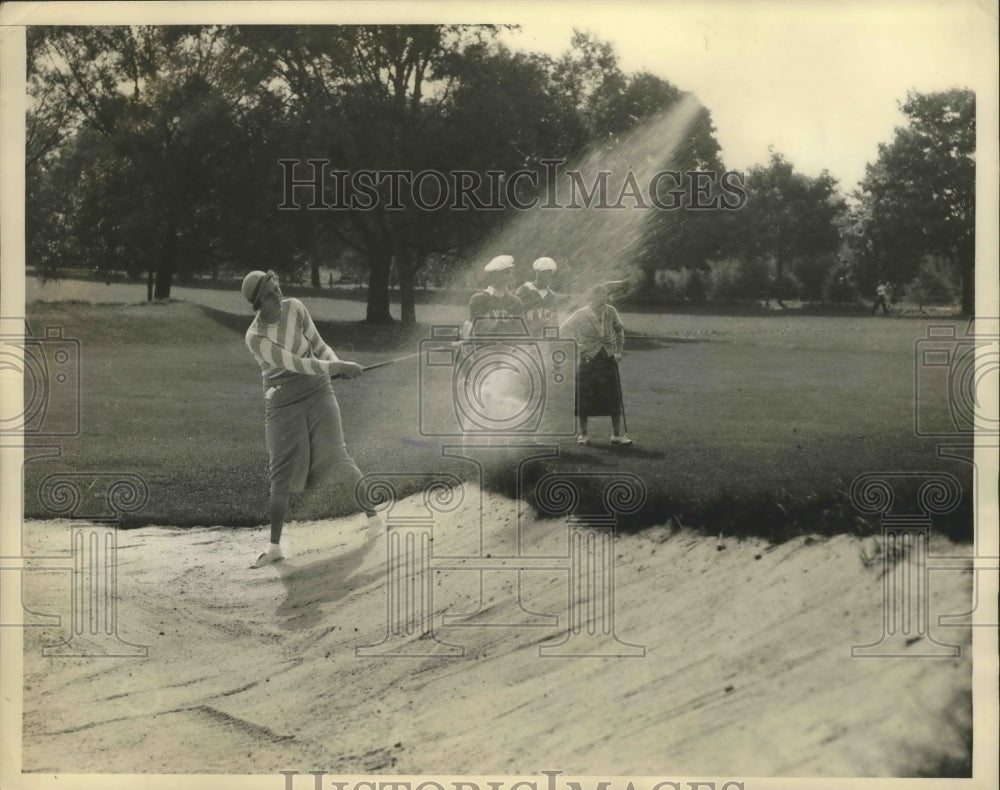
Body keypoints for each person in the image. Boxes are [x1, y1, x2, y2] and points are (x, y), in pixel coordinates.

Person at [241, 269, 379, 568]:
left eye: (276, 288)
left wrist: (334, 363)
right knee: (280, 471)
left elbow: (318, 345)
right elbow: (296, 363)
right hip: (282, 398)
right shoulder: (255, 336)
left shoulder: (295, 307)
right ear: (257, 304)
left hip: (318, 389)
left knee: (338, 455)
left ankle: (374, 519)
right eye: (268, 294)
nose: (276, 295)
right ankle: (275, 547)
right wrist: (338, 367)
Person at [560, 282, 633, 446]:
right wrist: (577, 344)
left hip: (608, 357)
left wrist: (619, 351)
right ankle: (583, 435)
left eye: (605, 295)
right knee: (584, 396)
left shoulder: (611, 310)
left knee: (614, 397)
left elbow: (619, 330)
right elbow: (563, 329)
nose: (604, 298)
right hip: (587, 358)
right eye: (600, 295)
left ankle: (616, 435)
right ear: (592, 297)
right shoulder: (581, 313)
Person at [465, 254, 525, 337]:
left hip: (508, 347)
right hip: (485, 346)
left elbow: (519, 330)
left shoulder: (515, 301)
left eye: (509, 272)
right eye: (505, 273)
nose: (509, 275)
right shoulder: (479, 299)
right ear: (494, 276)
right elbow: (474, 325)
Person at [515, 256, 564, 336]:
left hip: (545, 339)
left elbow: (554, 322)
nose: (547, 277)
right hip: (527, 338)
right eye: (543, 273)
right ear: (537, 273)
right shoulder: (523, 290)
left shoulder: (551, 296)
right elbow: (516, 317)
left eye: (549, 273)